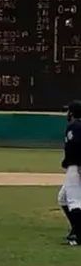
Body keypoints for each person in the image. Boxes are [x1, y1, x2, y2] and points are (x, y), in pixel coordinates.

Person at [59, 101, 81, 245]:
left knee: (74, 201)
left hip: (77, 167)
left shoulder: (76, 126)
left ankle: (79, 233)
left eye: (69, 111)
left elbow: (78, 147)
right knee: (62, 198)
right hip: (74, 166)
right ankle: (76, 229)